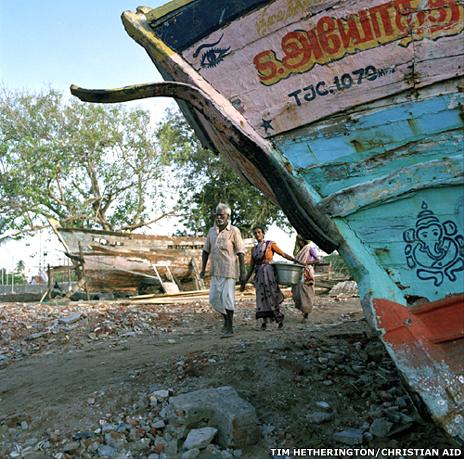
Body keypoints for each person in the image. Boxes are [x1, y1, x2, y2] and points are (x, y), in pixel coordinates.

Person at [241, 226, 301, 330]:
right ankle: (264, 322)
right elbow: (251, 267)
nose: (257, 234)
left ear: (263, 234)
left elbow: (282, 254)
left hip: (269, 274)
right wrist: (244, 282)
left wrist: (295, 261)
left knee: (271, 296)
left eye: (259, 232)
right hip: (259, 275)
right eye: (255, 233)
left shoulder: (270, 244)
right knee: (261, 298)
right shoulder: (253, 249)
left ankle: (279, 319)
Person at [200, 203, 246, 337]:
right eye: (217, 214)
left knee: (228, 299)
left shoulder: (234, 231)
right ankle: (226, 321)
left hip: (229, 271)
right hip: (215, 271)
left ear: (228, 216)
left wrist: (243, 273)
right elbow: (205, 251)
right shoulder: (211, 231)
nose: (219, 217)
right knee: (214, 298)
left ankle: (229, 327)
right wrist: (203, 269)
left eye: (222, 215)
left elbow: (240, 252)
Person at [292, 236, 320, 321]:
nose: (300, 242)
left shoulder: (309, 248)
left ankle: (306, 314)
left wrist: (307, 262)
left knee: (307, 292)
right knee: (297, 292)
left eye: (301, 240)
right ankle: (303, 310)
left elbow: (318, 260)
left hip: (307, 272)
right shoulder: (298, 251)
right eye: (299, 240)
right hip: (298, 272)